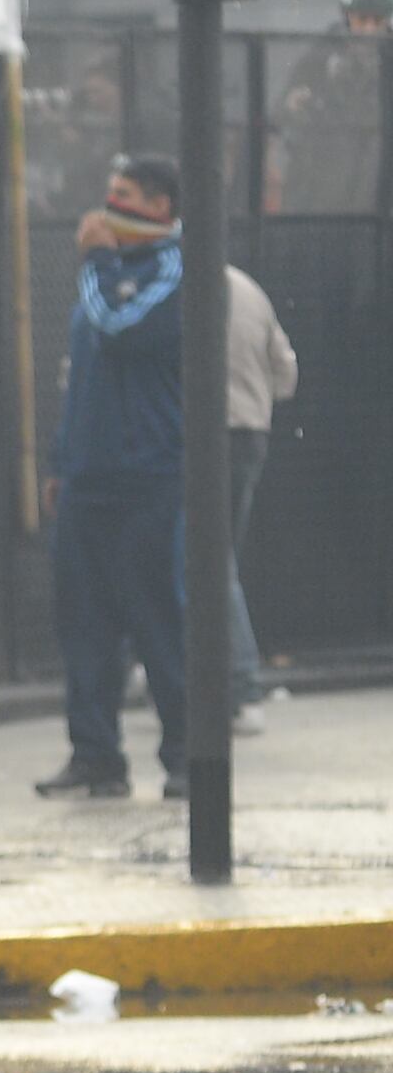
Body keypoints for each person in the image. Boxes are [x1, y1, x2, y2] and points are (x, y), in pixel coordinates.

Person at [41, 155, 194, 802]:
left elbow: (121, 332)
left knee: (158, 623)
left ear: (159, 207)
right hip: (88, 479)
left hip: (148, 479)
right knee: (85, 627)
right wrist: (61, 459)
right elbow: (82, 373)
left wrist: (96, 263)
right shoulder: (102, 279)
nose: (107, 209)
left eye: (124, 196)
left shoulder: (175, 270)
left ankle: (188, 759)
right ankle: (95, 755)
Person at [215, 253, 297, 728]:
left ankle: (242, 685)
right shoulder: (248, 288)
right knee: (217, 555)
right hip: (250, 429)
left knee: (209, 560)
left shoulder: (176, 286)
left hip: (206, 430)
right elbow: (285, 371)